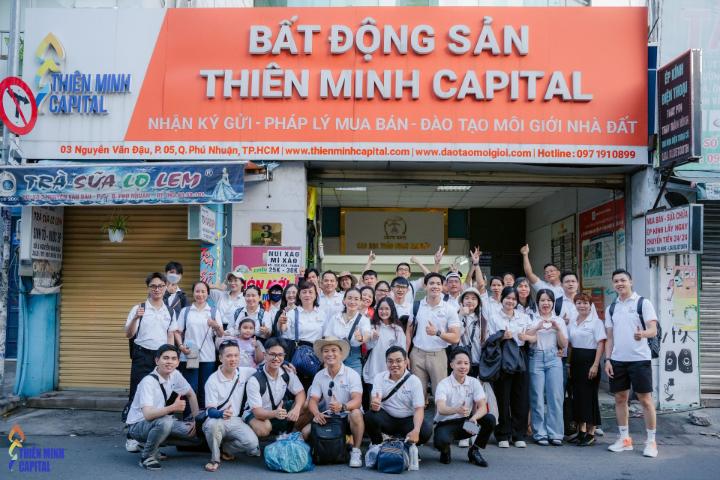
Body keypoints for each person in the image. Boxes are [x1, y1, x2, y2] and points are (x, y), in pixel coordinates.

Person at [604, 269, 659, 458]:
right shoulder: (611, 308)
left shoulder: (643, 303)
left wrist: (642, 334)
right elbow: (609, 338)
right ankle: (624, 439)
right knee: (620, 399)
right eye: (616, 281)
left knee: (645, 400)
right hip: (618, 360)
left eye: (623, 280)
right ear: (613, 285)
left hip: (640, 359)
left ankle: (651, 442)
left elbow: (653, 330)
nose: (619, 283)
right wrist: (608, 360)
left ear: (631, 282)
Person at [123, 272, 176, 448]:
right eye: (153, 286)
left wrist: (171, 359)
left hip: (161, 357)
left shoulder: (170, 311)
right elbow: (129, 334)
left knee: (160, 395)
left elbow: (170, 335)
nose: (157, 289)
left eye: (160, 286)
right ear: (148, 288)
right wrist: (136, 318)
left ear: (165, 287)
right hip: (142, 355)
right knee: (136, 394)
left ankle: (154, 438)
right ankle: (132, 437)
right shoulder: (139, 308)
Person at [126, 344, 199, 470]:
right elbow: (148, 415)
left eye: (173, 358)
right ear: (157, 360)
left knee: (195, 433)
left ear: (177, 362)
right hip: (137, 427)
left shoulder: (175, 374)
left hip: (158, 421)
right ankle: (147, 457)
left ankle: (149, 445)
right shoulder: (148, 382)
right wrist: (173, 407)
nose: (169, 362)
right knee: (165, 422)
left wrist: (196, 421)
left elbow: (191, 394)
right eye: (165, 358)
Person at [304, 337, 365, 468]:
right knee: (304, 432)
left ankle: (356, 450)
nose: (330, 354)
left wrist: (342, 407)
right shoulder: (319, 375)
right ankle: (319, 451)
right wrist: (316, 414)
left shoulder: (352, 374)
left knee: (356, 413)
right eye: (326, 351)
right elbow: (313, 400)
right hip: (330, 418)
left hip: (347, 418)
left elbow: (357, 400)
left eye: (334, 350)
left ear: (341, 354)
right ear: (322, 355)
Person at [202, 340, 260, 472]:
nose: (233, 359)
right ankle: (215, 459)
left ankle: (226, 449)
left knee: (252, 444)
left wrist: (285, 364)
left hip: (235, 419)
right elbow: (210, 411)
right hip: (216, 419)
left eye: (236, 355)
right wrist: (221, 413)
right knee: (213, 426)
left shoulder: (244, 372)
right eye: (228, 356)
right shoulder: (212, 380)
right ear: (220, 358)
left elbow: (264, 368)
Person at [434, 348, 497, 467]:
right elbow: (441, 409)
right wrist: (457, 410)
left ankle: (474, 451)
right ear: (451, 365)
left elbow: (483, 407)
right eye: (459, 363)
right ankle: (445, 450)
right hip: (446, 424)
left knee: (489, 419)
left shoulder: (474, 382)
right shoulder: (444, 384)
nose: (463, 366)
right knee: (441, 441)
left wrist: (474, 418)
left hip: (466, 424)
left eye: (466, 363)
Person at [487, 286, 533, 448]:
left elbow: (533, 337)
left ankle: (518, 434)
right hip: (502, 355)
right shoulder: (493, 317)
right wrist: (501, 337)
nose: (510, 301)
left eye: (514, 299)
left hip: (520, 355)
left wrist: (526, 337)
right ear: (502, 299)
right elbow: (488, 339)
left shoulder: (524, 317)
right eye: (508, 298)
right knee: (502, 396)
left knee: (520, 396)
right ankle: (503, 434)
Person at [406, 272, 461, 401]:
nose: (435, 286)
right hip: (417, 354)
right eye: (431, 283)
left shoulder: (449, 309)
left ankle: (440, 415)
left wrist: (438, 332)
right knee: (418, 395)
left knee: (440, 395)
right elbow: (409, 331)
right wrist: (405, 354)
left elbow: (456, 337)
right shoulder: (416, 306)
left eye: (438, 284)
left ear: (443, 287)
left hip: (438, 355)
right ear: (425, 286)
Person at [525, 289, 568, 446]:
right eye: (542, 300)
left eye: (549, 300)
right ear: (538, 302)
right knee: (536, 396)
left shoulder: (559, 320)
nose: (546, 303)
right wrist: (537, 327)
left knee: (555, 396)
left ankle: (555, 433)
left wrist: (557, 329)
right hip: (535, 357)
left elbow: (564, 344)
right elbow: (526, 338)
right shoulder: (531, 318)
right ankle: (540, 433)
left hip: (554, 358)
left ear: (553, 303)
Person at [366, 346, 431, 446]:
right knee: (370, 416)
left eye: (398, 361)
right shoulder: (379, 377)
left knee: (425, 431)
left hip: (407, 419)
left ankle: (407, 444)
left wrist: (416, 431)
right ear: (386, 362)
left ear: (405, 362)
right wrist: (375, 405)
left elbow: (419, 409)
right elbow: (375, 401)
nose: (394, 364)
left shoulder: (414, 381)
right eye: (390, 361)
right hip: (387, 417)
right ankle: (377, 444)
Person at [244, 338, 308, 440]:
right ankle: (254, 436)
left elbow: (300, 392)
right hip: (257, 414)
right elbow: (257, 412)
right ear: (265, 355)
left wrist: (296, 408)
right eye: (272, 354)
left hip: (278, 410)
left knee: (306, 404)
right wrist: (275, 414)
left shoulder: (287, 371)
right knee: (264, 429)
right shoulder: (255, 380)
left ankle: (292, 435)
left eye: (280, 355)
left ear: (284, 356)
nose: (276, 358)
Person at [175, 281, 225, 410]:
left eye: (203, 291)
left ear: (208, 293)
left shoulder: (213, 311)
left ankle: (203, 417)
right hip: (189, 354)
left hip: (208, 356)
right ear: (193, 293)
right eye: (197, 291)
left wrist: (215, 325)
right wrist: (181, 346)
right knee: (190, 388)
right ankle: (189, 417)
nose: (200, 294)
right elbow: (177, 332)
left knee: (205, 388)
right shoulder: (186, 311)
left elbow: (221, 334)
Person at [567, 293, 606, 446]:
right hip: (576, 361)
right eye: (578, 303)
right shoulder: (573, 322)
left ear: (590, 305)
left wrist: (595, 364)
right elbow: (570, 344)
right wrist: (568, 364)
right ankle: (581, 431)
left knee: (589, 397)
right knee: (578, 397)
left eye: (585, 303)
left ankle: (591, 433)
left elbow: (601, 343)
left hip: (590, 361)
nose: (582, 306)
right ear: (575, 305)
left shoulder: (596, 322)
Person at [276, 280, 326, 387]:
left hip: (316, 353)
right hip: (297, 353)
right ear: (299, 295)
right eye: (304, 292)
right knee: (296, 386)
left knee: (315, 386)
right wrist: (281, 322)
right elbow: (283, 329)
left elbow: (326, 336)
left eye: (310, 292)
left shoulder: (322, 314)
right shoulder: (292, 313)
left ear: (315, 295)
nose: (307, 295)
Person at [323, 288, 372, 376]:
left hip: (353, 359)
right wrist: (326, 362)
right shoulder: (335, 318)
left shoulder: (364, 320)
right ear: (344, 300)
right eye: (349, 298)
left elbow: (367, 334)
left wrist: (361, 338)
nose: (352, 302)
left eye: (356, 299)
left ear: (360, 302)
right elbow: (327, 337)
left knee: (355, 382)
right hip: (334, 357)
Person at [363, 298, 407, 386]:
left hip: (391, 368)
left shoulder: (397, 329)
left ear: (392, 310)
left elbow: (402, 350)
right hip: (374, 366)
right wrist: (374, 338)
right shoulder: (372, 326)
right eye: (381, 309)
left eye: (387, 309)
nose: (383, 311)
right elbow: (367, 347)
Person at [457, 287, 484, 377]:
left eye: (473, 298)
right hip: (460, 361)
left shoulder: (482, 319)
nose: (470, 301)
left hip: (477, 361)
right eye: (467, 298)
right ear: (462, 301)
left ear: (478, 302)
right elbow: (457, 334)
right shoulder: (456, 315)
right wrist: (461, 315)